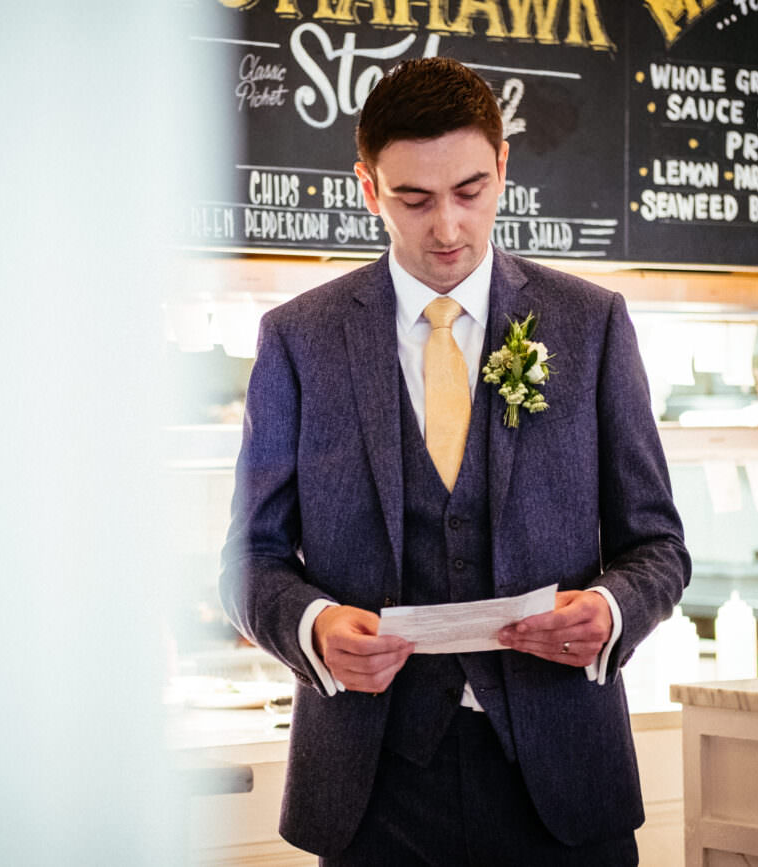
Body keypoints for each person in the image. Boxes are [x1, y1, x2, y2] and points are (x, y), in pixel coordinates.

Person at [220, 57, 691, 865]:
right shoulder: (298, 340)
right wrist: (314, 624)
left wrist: (611, 611)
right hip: (372, 789)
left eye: (470, 191)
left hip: (562, 777)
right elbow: (250, 561)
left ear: (503, 169)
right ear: (368, 187)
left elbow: (659, 548)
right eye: (414, 198)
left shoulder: (592, 325)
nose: (447, 227)